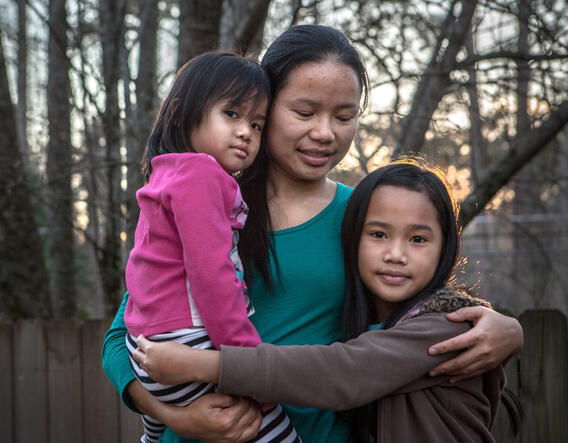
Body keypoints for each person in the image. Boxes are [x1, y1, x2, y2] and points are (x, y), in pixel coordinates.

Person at [103, 24, 523, 442]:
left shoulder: (367, 217)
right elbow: (124, 335)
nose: (325, 133)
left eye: (344, 116)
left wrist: (507, 330)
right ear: (263, 108)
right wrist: (170, 415)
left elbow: (407, 327)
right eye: (304, 113)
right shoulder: (205, 205)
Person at [133, 160, 519, 443]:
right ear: (351, 239)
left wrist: (207, 364)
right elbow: (128, 323)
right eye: (378, 235)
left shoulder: (446, 325)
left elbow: (341, 371)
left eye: (418, 239)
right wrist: (167, 414)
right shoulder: (223, 219)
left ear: (445, 248)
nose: (396, 254)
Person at [123, 51, 300, 443]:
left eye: (257, 123)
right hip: (187, 341)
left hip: (144, 344)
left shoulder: (166, 173)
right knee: (277, 434)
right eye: (232, 114)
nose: (246, 132)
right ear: (184, 114)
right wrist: (251, 368)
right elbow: (212, 276)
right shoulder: (200, 175)